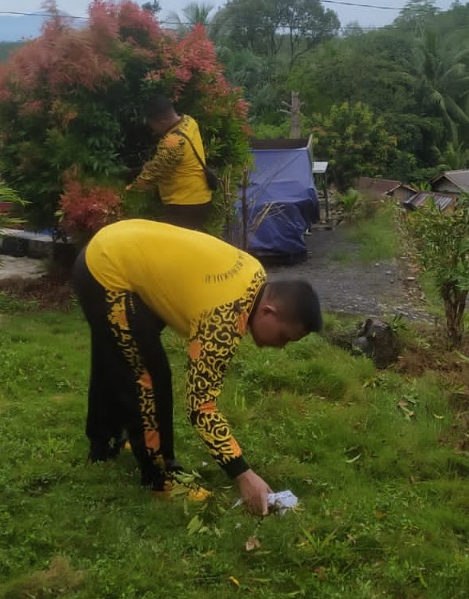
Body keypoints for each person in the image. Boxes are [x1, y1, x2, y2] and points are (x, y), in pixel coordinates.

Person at [72, 219, 321, 515]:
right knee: (150, 377)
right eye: (283, 337)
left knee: (118, 353)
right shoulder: (224, 319)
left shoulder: (256, 274)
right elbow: (201, 409)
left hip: (112, 247)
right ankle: (160, 479)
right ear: (269, 311)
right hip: (107, 271)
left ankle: (104, 444)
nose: (281, 347)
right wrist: (244, 474)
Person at [127, 95, 214, 232]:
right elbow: (176, 159)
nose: (152, 129)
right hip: (201, 197)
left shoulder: (172, 141)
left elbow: (154, 174)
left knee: (175, 248)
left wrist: (129, 190)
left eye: (152, 125)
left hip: (184, 205)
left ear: (161, 121)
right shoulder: (189, 121)